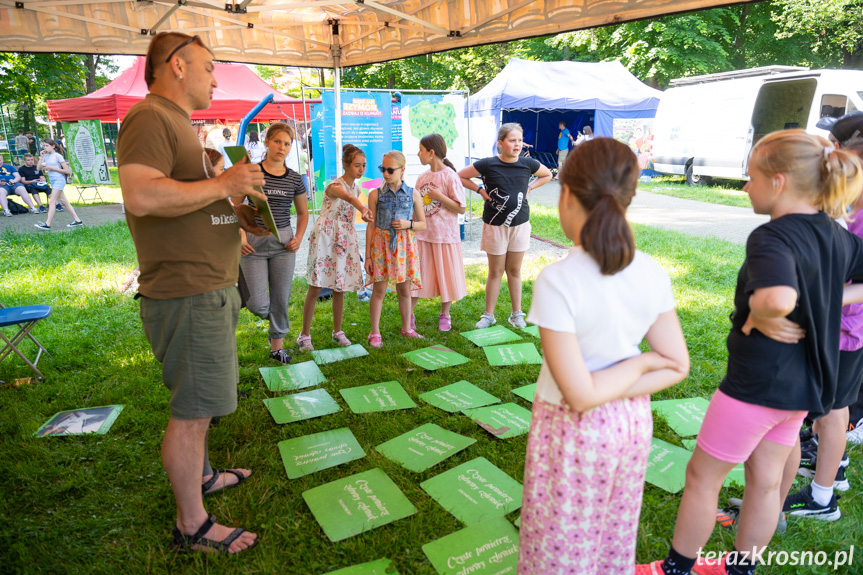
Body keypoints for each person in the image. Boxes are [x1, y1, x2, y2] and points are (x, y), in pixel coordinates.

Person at [638, 130, 863, 575]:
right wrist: (820, 300)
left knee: (703, 479)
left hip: (753, 389)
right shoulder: (839, 236)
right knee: (764, 486)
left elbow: (777, 298)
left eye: (751, 178)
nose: (745, 188)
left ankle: (677, 569)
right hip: (802, 392)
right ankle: (741, 569)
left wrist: (764, 310)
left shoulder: (772, 237)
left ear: (778, 182)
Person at [117, 31, 269, 556]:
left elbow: (194, 203)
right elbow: (141, 194)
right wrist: (222, 185)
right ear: (177, 66)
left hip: (209, 284)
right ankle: (192, 524)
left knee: (201, 403)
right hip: (187, 289)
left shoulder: (179, 125)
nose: (215, 77)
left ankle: (201, 478)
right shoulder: (150, 117)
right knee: (193, 409)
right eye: (208, 67)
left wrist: (243, 208)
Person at [518, 138, 689, 575]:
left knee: (558, 546)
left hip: (572, 433)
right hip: (632, 421)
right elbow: (675, 364)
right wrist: (643, 364)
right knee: (613, 536)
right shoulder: (651, 271)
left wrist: (634, 365)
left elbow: (580, 396)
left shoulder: (558, 280)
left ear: (568, 195)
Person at [457, 123, 552, 330]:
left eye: (519, 140)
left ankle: (516, 314)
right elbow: (461, 176)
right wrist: (480, 191)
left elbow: (547, 175)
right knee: (495, 271)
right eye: (512, 140)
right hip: (495, 225)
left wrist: (530, 187)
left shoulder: (528, 163)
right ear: (501, 143)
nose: (517, 144)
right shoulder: (488, 164)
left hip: (520, 225)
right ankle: (488, 315)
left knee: (515, 270)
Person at [233, 121, 309, 365]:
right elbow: (233, 207)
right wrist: (241, 237)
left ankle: (277, 348)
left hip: (283, 243)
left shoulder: (295, 179)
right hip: (253, 243)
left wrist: (297, 238)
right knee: (257, 304)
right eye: (277, 141)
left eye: (287, 144)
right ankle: (272, 315)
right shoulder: (251, 172)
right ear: (266, 142)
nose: (282, 147)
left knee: (281, 297)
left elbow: (303, 213)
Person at [296, 144, 371, 352]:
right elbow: (346, 197)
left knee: (340, 286)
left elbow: (352, 196)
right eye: (357, 165)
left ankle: (337, 331)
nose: (361, 169)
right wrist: (362, 207)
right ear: (346, 164)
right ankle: (304, 335)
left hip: (343, 236)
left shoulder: (356, 187)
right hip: (326, 236)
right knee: (317, 285)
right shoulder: (334, 185)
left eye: (364, 165)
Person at [365, 150, 426, 348]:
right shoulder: (375, 194)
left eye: (391, 170)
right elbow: (371, 226)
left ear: (402, 170)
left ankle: (407, 328)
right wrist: (368, 256)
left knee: (405, 290)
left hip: (404, 246)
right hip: (381, 246)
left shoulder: (413, 193)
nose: (386, 173)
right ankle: (375, 332)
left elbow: (422, 223)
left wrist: (408, 224)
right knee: (379, 289)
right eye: (383, 169)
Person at [410, 134, 467, 332]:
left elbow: (461, 208)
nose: (418, 154)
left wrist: (439, 196)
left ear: (431, 153)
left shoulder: (450, 176)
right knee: (417, 276)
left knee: (446, 277)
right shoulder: (422, 177)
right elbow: (416, 205)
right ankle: (409, 314)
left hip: (445, 236)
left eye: (421, 150)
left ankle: (445, 314)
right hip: (423, 235)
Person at [33, 140, 83, 230]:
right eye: (44, 146)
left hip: (59, 180)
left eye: (47, 145)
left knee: (51, 201)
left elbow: (66, 171)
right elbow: (38, 168)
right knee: (64, 201)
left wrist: (51, 168)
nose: (45, 147)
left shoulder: (58, 156)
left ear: (53, 146)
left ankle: (47, 224)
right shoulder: (46, 156)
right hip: (52, 180)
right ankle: (78, 220)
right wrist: (41, 157)